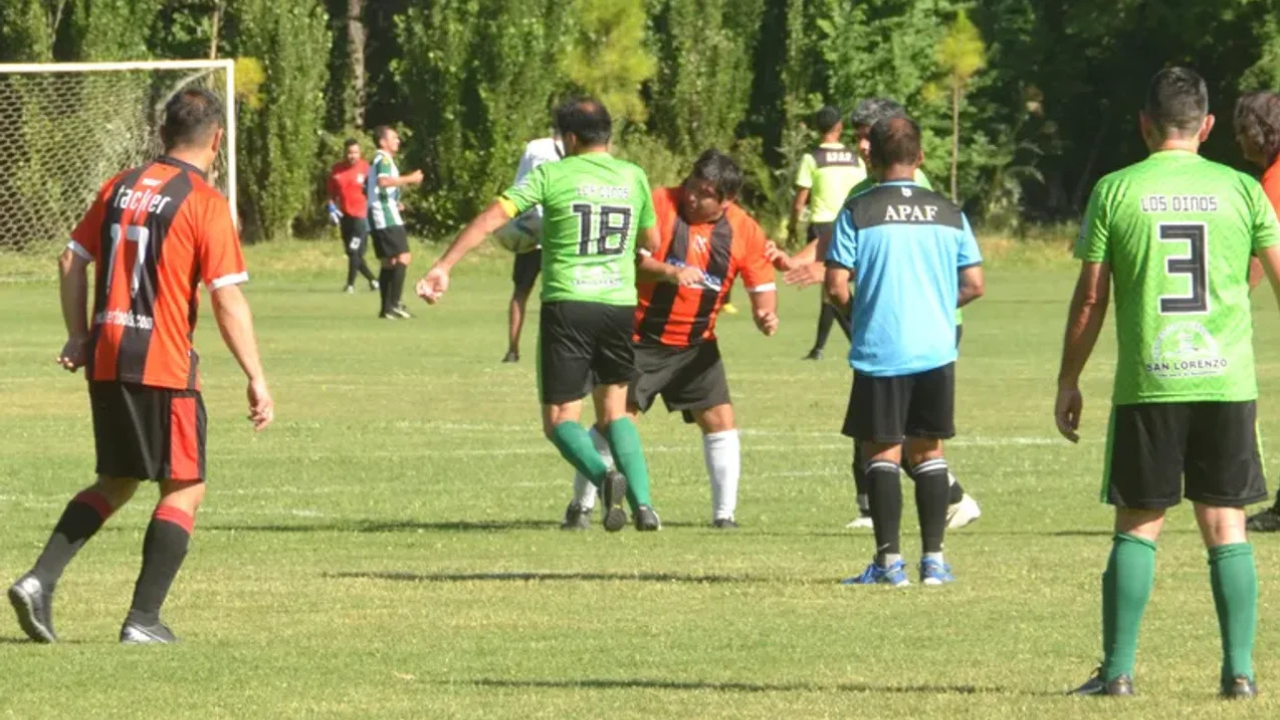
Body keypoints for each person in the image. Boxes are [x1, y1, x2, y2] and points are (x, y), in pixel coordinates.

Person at [7, 88, 273, 645]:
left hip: (106, 356)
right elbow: (227, 298)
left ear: (162, 134)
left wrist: (79, 334)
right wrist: (255, 375)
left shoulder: (119, 186)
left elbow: (69, 259)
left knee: (118, 480)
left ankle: (39, 579)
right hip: (164, 363)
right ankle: (143, 621)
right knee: (185, 487)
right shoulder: (203, 202)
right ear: (217, 140)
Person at [1057, 67, 1280, 699]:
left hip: (1150, 383)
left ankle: (1117, 672)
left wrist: (1069, 379)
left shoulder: (1116, 189)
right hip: (1225, 383)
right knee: (1226, 525)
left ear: (1144, 124)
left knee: (1138, 525)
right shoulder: (1242, 189)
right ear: (1208, 126)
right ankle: (1240, 674)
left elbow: (1089, 300)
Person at [416, 98, 702, 532]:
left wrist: (444, 265)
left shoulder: (552, 174)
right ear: (608, 134)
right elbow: (651, 237)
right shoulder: (633, 176)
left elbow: (493, 218)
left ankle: (607, 480)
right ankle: (645, 507)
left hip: (568, 304)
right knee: (615, 413)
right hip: (618, 306)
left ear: (568, 138)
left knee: (559, 421)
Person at [775, 97, 981, 531]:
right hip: (886, 321)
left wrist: (863, 301)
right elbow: (838, 234)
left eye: (868, 139)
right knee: (880, 426)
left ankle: (931, 505)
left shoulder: (906, 182)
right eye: (857, 138)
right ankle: (882, 510)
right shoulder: (863, 188)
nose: (862, 148)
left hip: (918, 325)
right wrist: (803, 261)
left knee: (897, 430)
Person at [561, 150, 781, 530]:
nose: (692, 196)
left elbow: (761, 283)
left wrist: (766, 313)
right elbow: (623, 260)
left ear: (726, 200)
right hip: (638, 338)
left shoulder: (744, 229)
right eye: (692, 186)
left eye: (705, 193)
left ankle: (724, 517)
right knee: (614, 421)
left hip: (697, 345)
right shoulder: (659, 204)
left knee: (720, 420)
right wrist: (667, 273)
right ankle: (580, 508)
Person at [825, 116, 984, 587]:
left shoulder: (858, 210)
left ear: (869, 156)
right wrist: (934, 305)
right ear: (920, 158)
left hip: (882, 346)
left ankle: (889, 564)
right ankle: (934, 562)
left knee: (883, 452)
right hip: (936, 346)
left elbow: (835, 286)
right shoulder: (950, 211)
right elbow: (974, 284)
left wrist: (862, 316)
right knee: (929, 449)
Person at [1232, 91, 1280, 532]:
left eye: (1242, 130)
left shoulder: (1274, 181)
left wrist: (1223, 298)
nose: (1238, 141)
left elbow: (1261, 257)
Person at [791, 106, 865, 361]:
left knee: (832, 287)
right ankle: (820, 348)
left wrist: (793, 226)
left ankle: (857, 339)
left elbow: (800, 201)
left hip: (822, 225)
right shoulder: (856, 158)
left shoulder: (812, 159)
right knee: (832, 287)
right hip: (852, 222)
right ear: (840, 127)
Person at [496, 134, 564, 363]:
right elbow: (521, 183)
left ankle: (552, 349)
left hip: (555, 233)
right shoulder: (537, 147)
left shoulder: (572, 148)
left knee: (555, 294)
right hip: (533, 232)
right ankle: (513, 348)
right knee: (522, 291)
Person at [366, 125, 424, 319]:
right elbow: (383, 182)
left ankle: (386, 308)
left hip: (382, 212)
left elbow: (372, 186)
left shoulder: (380, 160)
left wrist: (394, 200)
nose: (398, 141)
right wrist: (411, 178)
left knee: (389, 262)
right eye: (394, 138)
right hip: (384, 215)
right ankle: (395, 303)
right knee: (403, 257)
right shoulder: (382, 158)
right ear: (383, 142)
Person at [327, 138, 379, 294]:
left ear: (360, 153)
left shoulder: (366, 168)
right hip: (345, 216)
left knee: (354, 250)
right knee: (352, 253)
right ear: (345, 153)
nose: (352, 155)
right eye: (350, 152)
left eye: (355, 152)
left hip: (361, 217)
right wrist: (331, 209)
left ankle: (350, 285)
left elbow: (375, 191)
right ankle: (373, 280)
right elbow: (330, 193)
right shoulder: (336, 170)